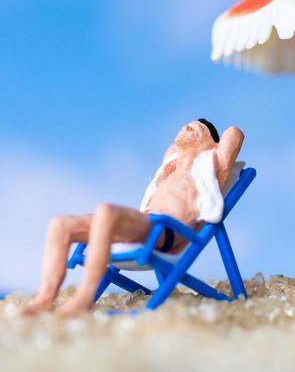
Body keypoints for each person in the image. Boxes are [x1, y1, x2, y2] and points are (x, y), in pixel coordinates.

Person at [22, 119, 245, 317]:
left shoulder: (210, 167)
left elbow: (234, 134)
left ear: (212, 145)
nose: (187, 126)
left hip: (164, 231)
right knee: (61, 224)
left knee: (107, 211)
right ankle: (44, 299)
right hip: (143, 224)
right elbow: (172, 147)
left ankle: (83, 299)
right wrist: (190, 139)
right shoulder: (169, 168)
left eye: (195, 127)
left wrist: (210, 142)